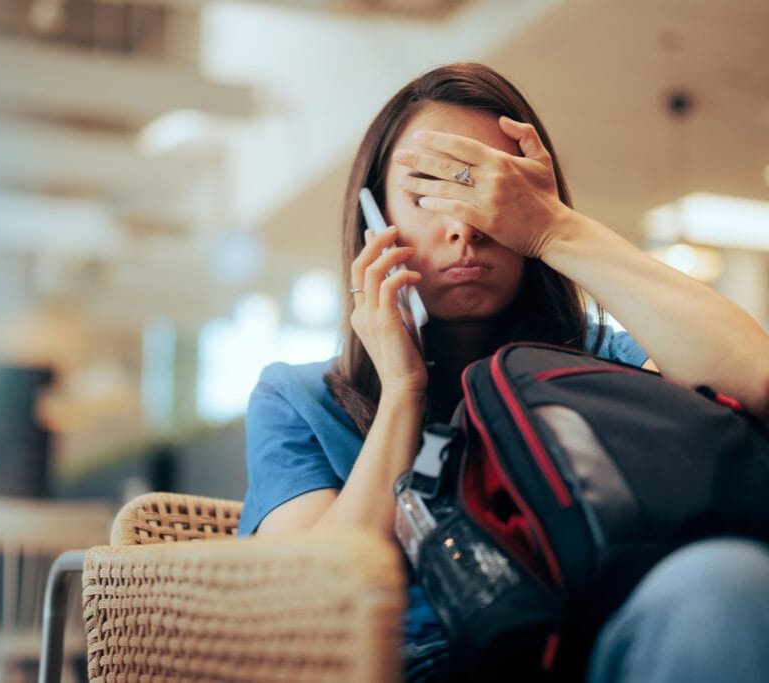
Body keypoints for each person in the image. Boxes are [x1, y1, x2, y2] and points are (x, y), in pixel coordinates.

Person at [236, 62, 769, 681]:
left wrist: (555, 229)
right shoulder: (298, 399)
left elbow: (755, 382)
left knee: (728, 583)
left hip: (592, 647)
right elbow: (302, 612)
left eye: (490, 191)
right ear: (375, 221)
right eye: (428, 194)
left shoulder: (603, 365)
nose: (464, 227)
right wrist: (403, 392)